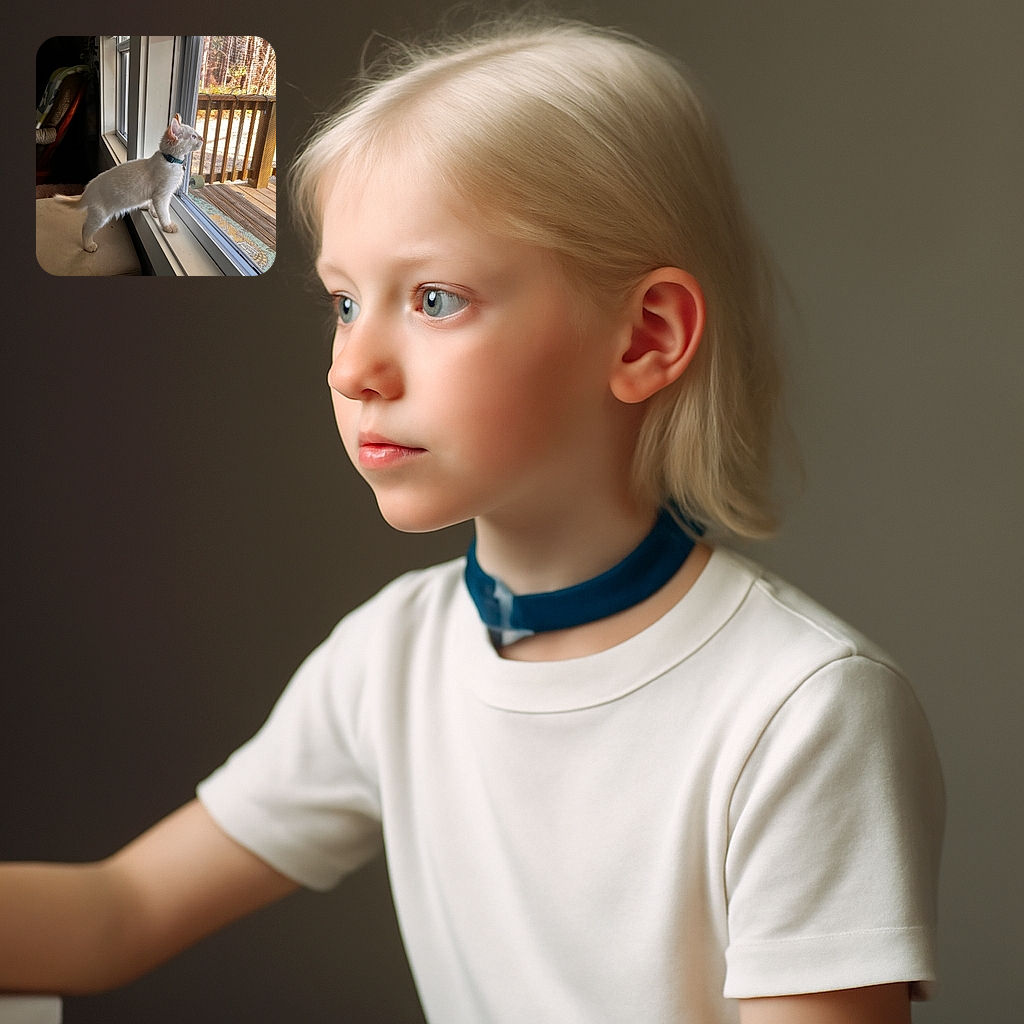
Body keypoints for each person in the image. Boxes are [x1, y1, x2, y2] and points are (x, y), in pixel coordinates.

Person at [1, 16, 943, 1023]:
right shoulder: (391, 659)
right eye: (344, 303)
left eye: (436, 299)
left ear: (646, 337)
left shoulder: (801, 712)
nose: (353, 370)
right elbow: (118, 914)